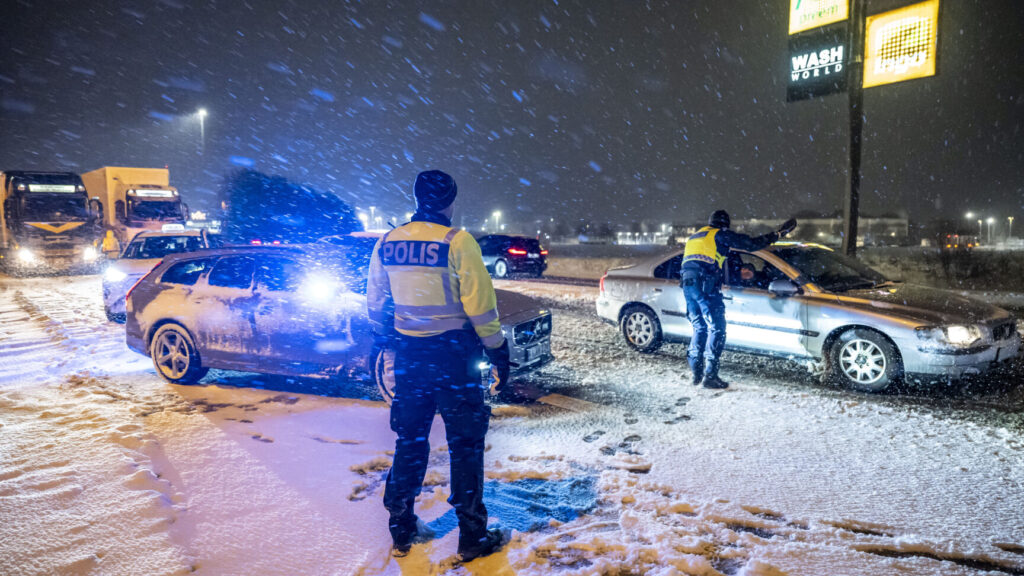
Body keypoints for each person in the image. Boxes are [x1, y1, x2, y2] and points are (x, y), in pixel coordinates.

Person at [367, 169, 510, 562]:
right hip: (453, 356)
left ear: (415, 197)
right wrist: (497, 349)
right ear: (450, 200)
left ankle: (402, 526)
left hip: (410, 357)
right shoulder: (457, 241)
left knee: (409, 440)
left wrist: (384, 339)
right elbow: (480, 306)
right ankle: (472, 535)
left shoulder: (388, 241)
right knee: (465, 444)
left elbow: (376, 301)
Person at [681, 210, 797, 389]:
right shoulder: (719, 234)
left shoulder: (695, 237)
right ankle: (710, 376)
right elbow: (750, 244)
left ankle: (696, 372)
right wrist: (779, 234)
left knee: (699, 327)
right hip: (706, 285)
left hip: (688, 286)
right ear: (725, 224)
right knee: (717, 329)